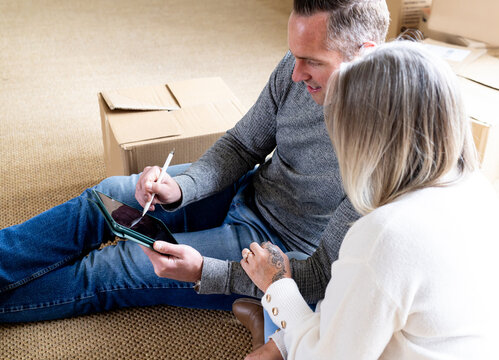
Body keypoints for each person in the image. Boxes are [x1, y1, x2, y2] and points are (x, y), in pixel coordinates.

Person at [0, 0, 388, 346]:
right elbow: (242, 144)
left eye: (313, 61)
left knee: (115, 267)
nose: (294, 72)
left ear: (364, 54)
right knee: (105, 198)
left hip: (272, 251)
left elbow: (320, 275)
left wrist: (205, 271)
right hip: (249, 192)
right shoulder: (296, 69)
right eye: (294, 55)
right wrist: (181, 188)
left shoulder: (388, 146)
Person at [240, 41, 499, 359]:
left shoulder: (384, 234)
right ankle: (272, 335)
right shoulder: (479, 191)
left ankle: (267, 332)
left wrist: (276, 284)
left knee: (291, 298)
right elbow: (365, 302)